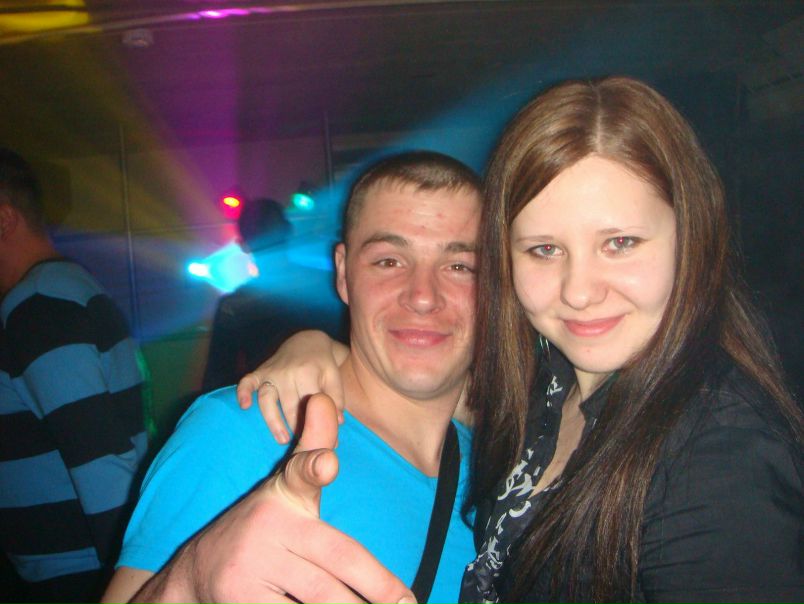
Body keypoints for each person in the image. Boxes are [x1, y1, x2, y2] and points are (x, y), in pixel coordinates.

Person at [237, 76, 803, 603]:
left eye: (620, 243)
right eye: (545, 250)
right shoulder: (546, 385)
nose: (578, 291)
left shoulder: (721, 456)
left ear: (691, 235)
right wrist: (318, 348)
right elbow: (418, 390)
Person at [100, 151, 482, 603]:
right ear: (343, 273)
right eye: (388, 261)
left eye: (460, 266)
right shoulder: (240, 433)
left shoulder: (508, 468)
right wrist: (190, 581)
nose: (423, 296)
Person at [0, 148, 149, 603]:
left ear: (3, 219)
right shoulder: (64, 291)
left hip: (80, 577)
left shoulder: (39, 308)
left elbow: (100, 461)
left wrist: (125, 589)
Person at [202, 197, 347, 393]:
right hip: (336, 397)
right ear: (288, 230)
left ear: (243, 244)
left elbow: (216, 381)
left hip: (270, 405)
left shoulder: (234, 306)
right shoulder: (327, 285)